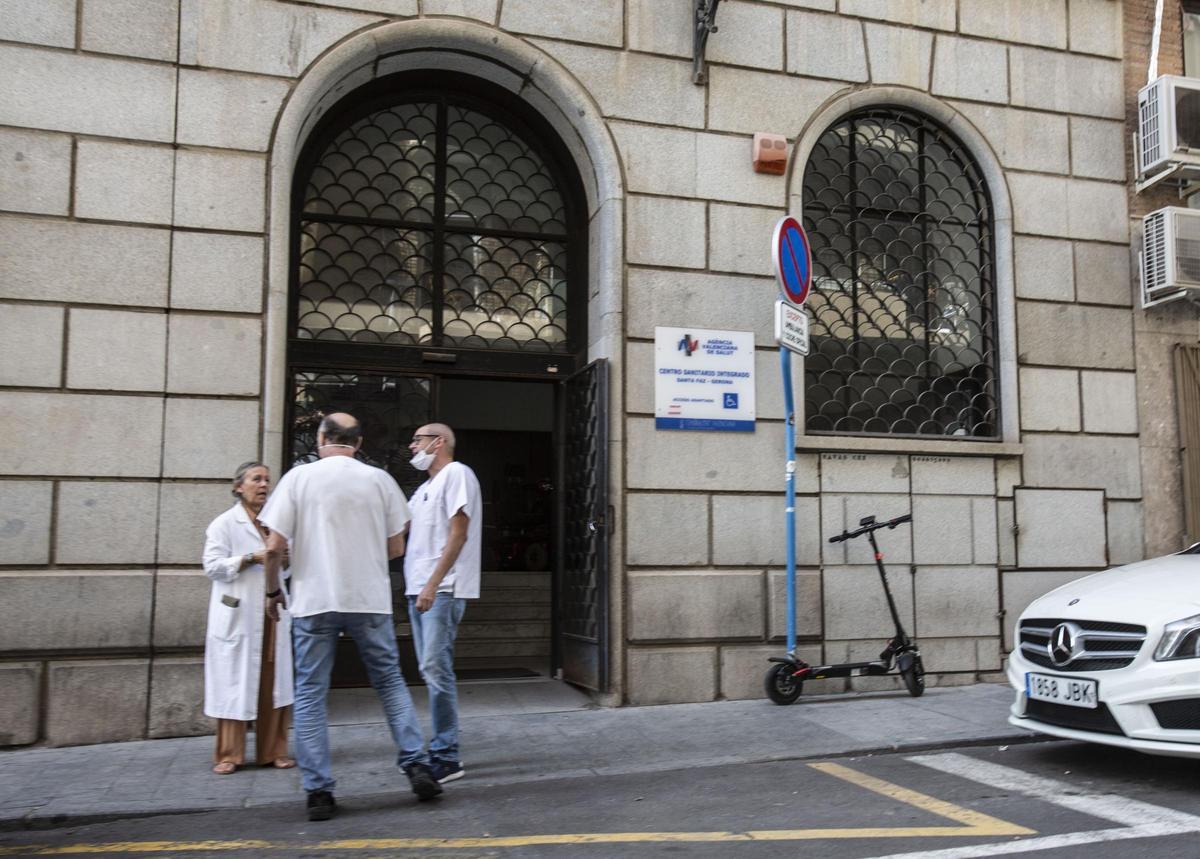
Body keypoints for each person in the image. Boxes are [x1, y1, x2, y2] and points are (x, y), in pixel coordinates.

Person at [259, 413, 442, 822]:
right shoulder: (378, 480)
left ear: (322, 437)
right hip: (368, 598)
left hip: (313, 599)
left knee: (310, 694)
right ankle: (416, 766)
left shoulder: (297, 479)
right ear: (358, 443)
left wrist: (272, 591)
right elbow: (397, 547)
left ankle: (319, 792)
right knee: (391, 683)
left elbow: (273, 548)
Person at [202, 461, 295, 775]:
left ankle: (274, 751)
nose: (264, 485)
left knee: (274, 684)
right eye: (256, 479)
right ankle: (229, 754)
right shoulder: (224, 524)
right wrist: (248, 558)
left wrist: (285, 559)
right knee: (234, 683)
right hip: (239, 614)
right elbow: (212, 566)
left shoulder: (276, 523)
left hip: (272, 613)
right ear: (239, 486)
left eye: (267, 479)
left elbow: (288, 568)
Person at [404, 423, 482, 784]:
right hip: (419, 590)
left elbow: (459, 532)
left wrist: (432, 586)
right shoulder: (423, 489)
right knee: (430, 669)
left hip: (441, 590)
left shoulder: (457, 474)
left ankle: (447, 756)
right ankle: (442, 749)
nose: (411, 445)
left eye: (417, 440)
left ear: (438, 443)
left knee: (436, 670)